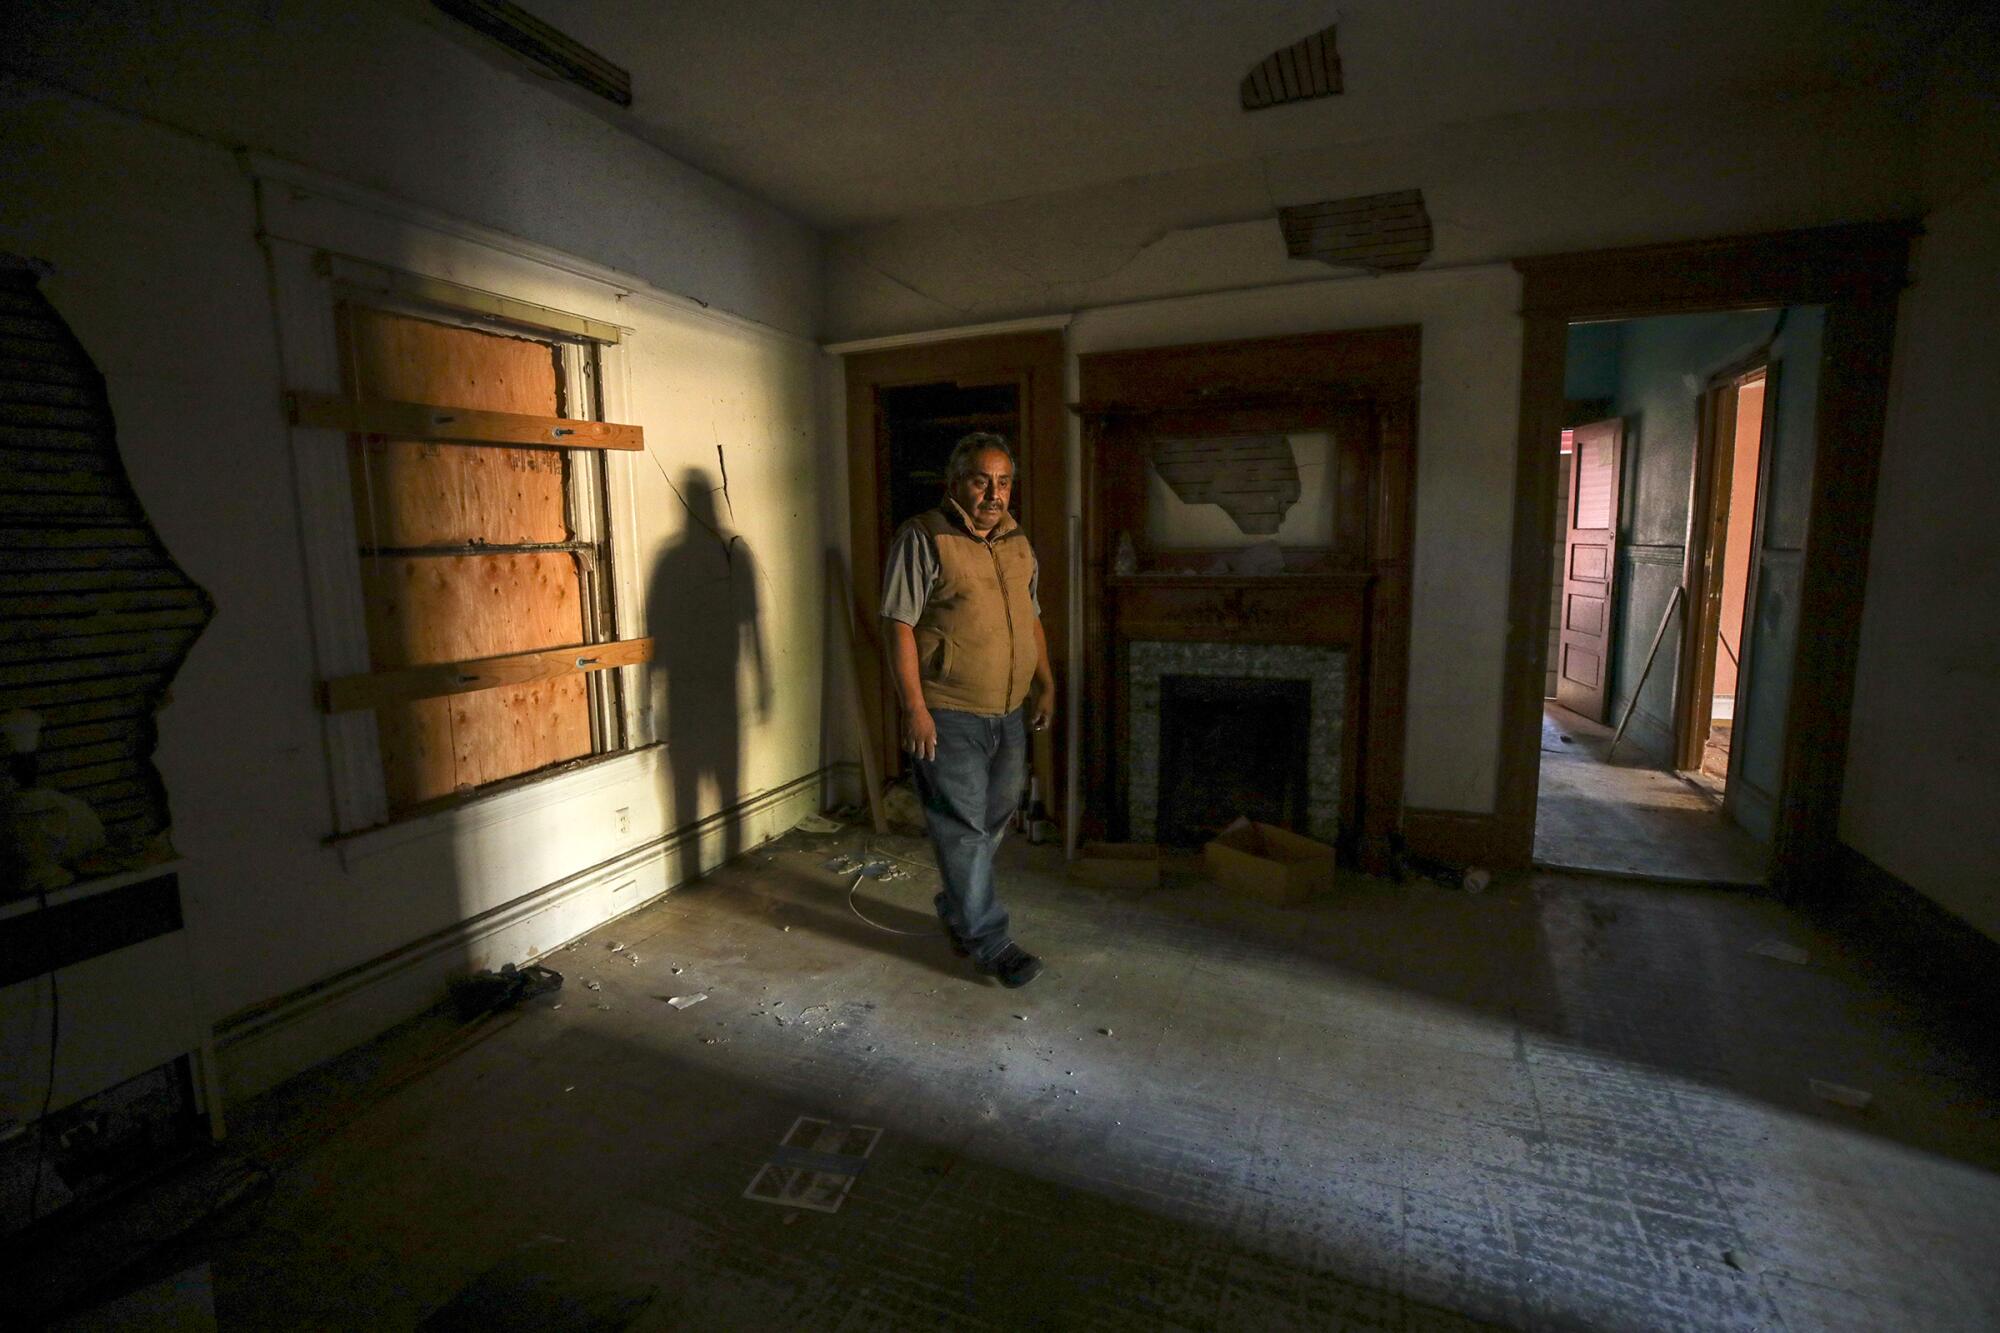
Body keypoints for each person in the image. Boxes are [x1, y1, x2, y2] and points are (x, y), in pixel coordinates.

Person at [880, 433, 1053, 988]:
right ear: (956, 483)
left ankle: (958, 904)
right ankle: (989, 940)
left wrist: (1046, 682)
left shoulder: (1017, 542)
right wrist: (915, 708)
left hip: (1008, 709)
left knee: (997, 814)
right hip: (949, 709)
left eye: (1003, 482)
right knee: (961, 828)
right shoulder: (924, 536)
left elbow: (1030, 619)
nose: (993, 493)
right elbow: (899, 624)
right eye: (982, 480)